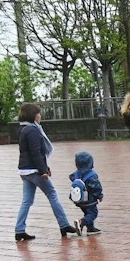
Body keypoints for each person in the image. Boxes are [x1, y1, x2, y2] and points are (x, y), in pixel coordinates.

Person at [14, 103, 77, 241]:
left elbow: (32, 153)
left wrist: (45, 167)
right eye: (38, 113)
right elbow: (36, 153)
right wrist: (43, 170)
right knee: (52, 194)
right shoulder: (33, 131)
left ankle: (19, 230)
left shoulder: (23, 129)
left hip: (24, 171)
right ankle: (64, 225)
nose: (40, 116)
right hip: (34, 170)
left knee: (27, 201)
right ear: (33, 115)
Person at [68, 151, 104, 234]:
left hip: (79, 200)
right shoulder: (91, 175)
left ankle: (90, 228)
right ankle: (82, 222)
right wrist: (100, 195)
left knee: (87, 212)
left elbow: (72, 178)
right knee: (93, 213)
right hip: (89, 200)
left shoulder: (76, 174)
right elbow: (95, 187)